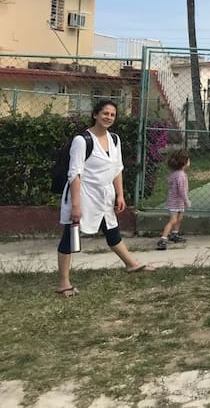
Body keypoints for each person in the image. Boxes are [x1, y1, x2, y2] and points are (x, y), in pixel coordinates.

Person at [56, 99, 155, 297]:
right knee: (70, 236)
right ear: (95, 115)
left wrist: (120, 194)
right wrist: (76, 205)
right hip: (83, 195)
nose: (108, 117)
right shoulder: (82, 140)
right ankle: (63, 283)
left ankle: (131, 264)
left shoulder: (114, 139)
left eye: (112, 114)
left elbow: (117, 169)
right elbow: (75, 173)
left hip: (104, 195)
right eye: (105, 113)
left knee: (111, 230)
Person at [156, 149, 191, 250]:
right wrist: (186, 200)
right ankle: (163, 239)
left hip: (177, 202)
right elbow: (182, 191)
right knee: (173, 220)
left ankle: (174, 234)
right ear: (184, 162)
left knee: (179, 218)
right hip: (175, 202)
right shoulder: (180, 175)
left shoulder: (175, 173)